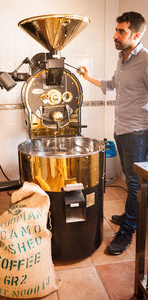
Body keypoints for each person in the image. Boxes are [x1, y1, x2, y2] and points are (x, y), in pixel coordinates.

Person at [78, 11, 148, 255]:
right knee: (132, 179)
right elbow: (113, 85)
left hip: (139, 131)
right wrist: (88, 77)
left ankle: (128, 231)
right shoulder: (122, 58)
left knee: (135, 183)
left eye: (121, 31)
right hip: (122, 129)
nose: (115, 35)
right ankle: (133, 216)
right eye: (116, 30)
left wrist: (141, 115)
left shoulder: (146, 60)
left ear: (136, 35)